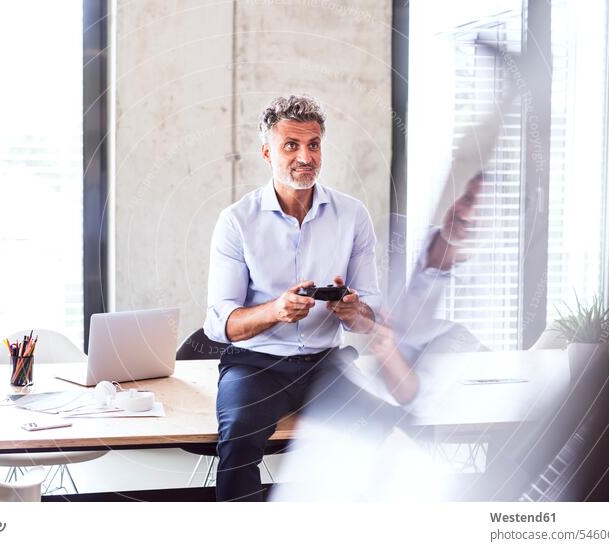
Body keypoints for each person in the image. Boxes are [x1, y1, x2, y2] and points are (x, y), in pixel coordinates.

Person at [203, 94, 480, 501]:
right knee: (239, 439)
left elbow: (369, 312)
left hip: (324, 365)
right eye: (291, 146)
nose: (305, 156)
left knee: (387, 431)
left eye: (313, 145)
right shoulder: (236, 222)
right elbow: (220, 324)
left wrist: (354, 310)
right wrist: (275, 311)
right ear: (267, 153)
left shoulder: (352, 216)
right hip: (255, 367)